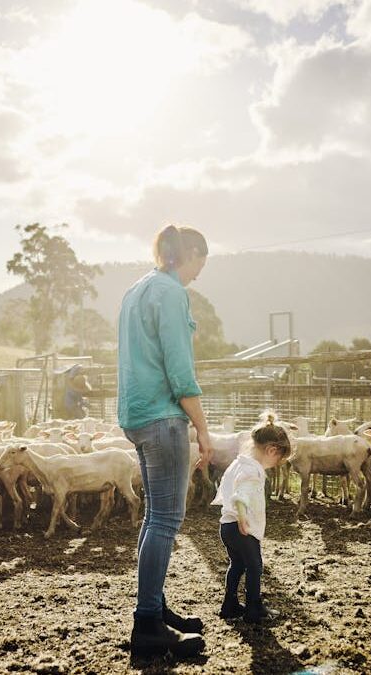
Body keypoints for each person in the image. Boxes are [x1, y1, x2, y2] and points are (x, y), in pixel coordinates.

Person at [117, 224, 214, 658]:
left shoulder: (136, 289)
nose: (198, 274)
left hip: (135, 415)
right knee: (166, 520)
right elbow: (179, 368)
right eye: (200, 264)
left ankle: (152, 609)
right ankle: (147, 627)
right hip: (162, 418)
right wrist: (204, 430)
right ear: (189, 253)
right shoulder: (172, 293)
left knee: (154, 516)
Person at [212, 411, 292, 624]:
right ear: (271, 450)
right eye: (278, 461)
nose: (276, 465)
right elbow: (241, 494)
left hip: (226, 525)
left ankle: (229, 605)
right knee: (255, 566)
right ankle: (254, 608)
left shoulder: (238, 463)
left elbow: (229, 489)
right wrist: (242, 516)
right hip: (241, 527)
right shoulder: (253, 470)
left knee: (237, 564)